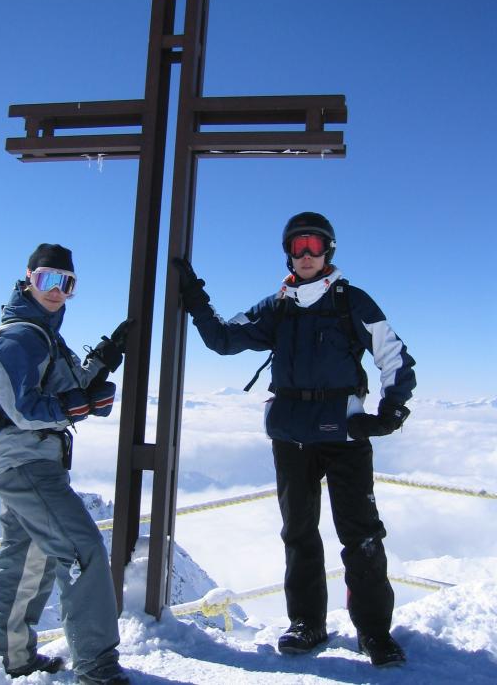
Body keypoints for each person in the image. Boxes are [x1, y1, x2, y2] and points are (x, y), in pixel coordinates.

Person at [173, 212, 416, 667]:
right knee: (299, 533)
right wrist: (196, 300)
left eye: (314, 245)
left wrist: (390, 412)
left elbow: (394, 356)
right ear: (288, 251)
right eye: (298, 245)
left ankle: (374, 633)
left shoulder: (352, 302)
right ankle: (307, 624)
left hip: (344, 434)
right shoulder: (276, 307)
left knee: (361, 534)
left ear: (329, 251)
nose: (306, 254)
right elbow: (225, 340)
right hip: (290, 437)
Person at [0, 243, 131, 684]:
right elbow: (23, 409)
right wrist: (75, 406)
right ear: (29, 277)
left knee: (29, 554)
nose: (56, 290)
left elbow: (68, 389)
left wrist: (102, 361)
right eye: (47, 279)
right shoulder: (18, 336)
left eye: (66, 283)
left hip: (27, 461)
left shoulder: (44, 335)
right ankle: (96, 665)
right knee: (82, 550)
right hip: (25, 463)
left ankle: (15, 655)